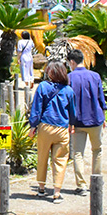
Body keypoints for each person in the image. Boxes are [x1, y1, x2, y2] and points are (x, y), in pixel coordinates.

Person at [28, 60, 76, 204]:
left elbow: (36, 108)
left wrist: (33, 126)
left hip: (46, 127)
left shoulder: (43, 86)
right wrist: (72, 124)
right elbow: (72, 111)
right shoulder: (69, 90)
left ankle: (42, 188)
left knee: (42, 157)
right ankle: (56, 192)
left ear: (50, 72)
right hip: (62, 128)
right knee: (60, 160)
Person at [67, 49, 105, 196]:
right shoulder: (95, 76)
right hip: (95, 118)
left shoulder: (69, 77)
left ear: (72, 62)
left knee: (78, 153)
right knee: (97, 150)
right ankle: (96, 180)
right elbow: (101, 98)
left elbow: (68, 101)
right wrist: (104, 118)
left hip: (77, 121)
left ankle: (81, 185)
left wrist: (69, 121)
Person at [16, 31, 35, 98]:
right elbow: (33, 47)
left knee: (24, 70)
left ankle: (27, 84)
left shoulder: (20, 42)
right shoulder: (30, 41)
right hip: (30, 56)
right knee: (30, 69)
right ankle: (32, 80)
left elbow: (19, 51)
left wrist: (18, 59)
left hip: (24, 57)